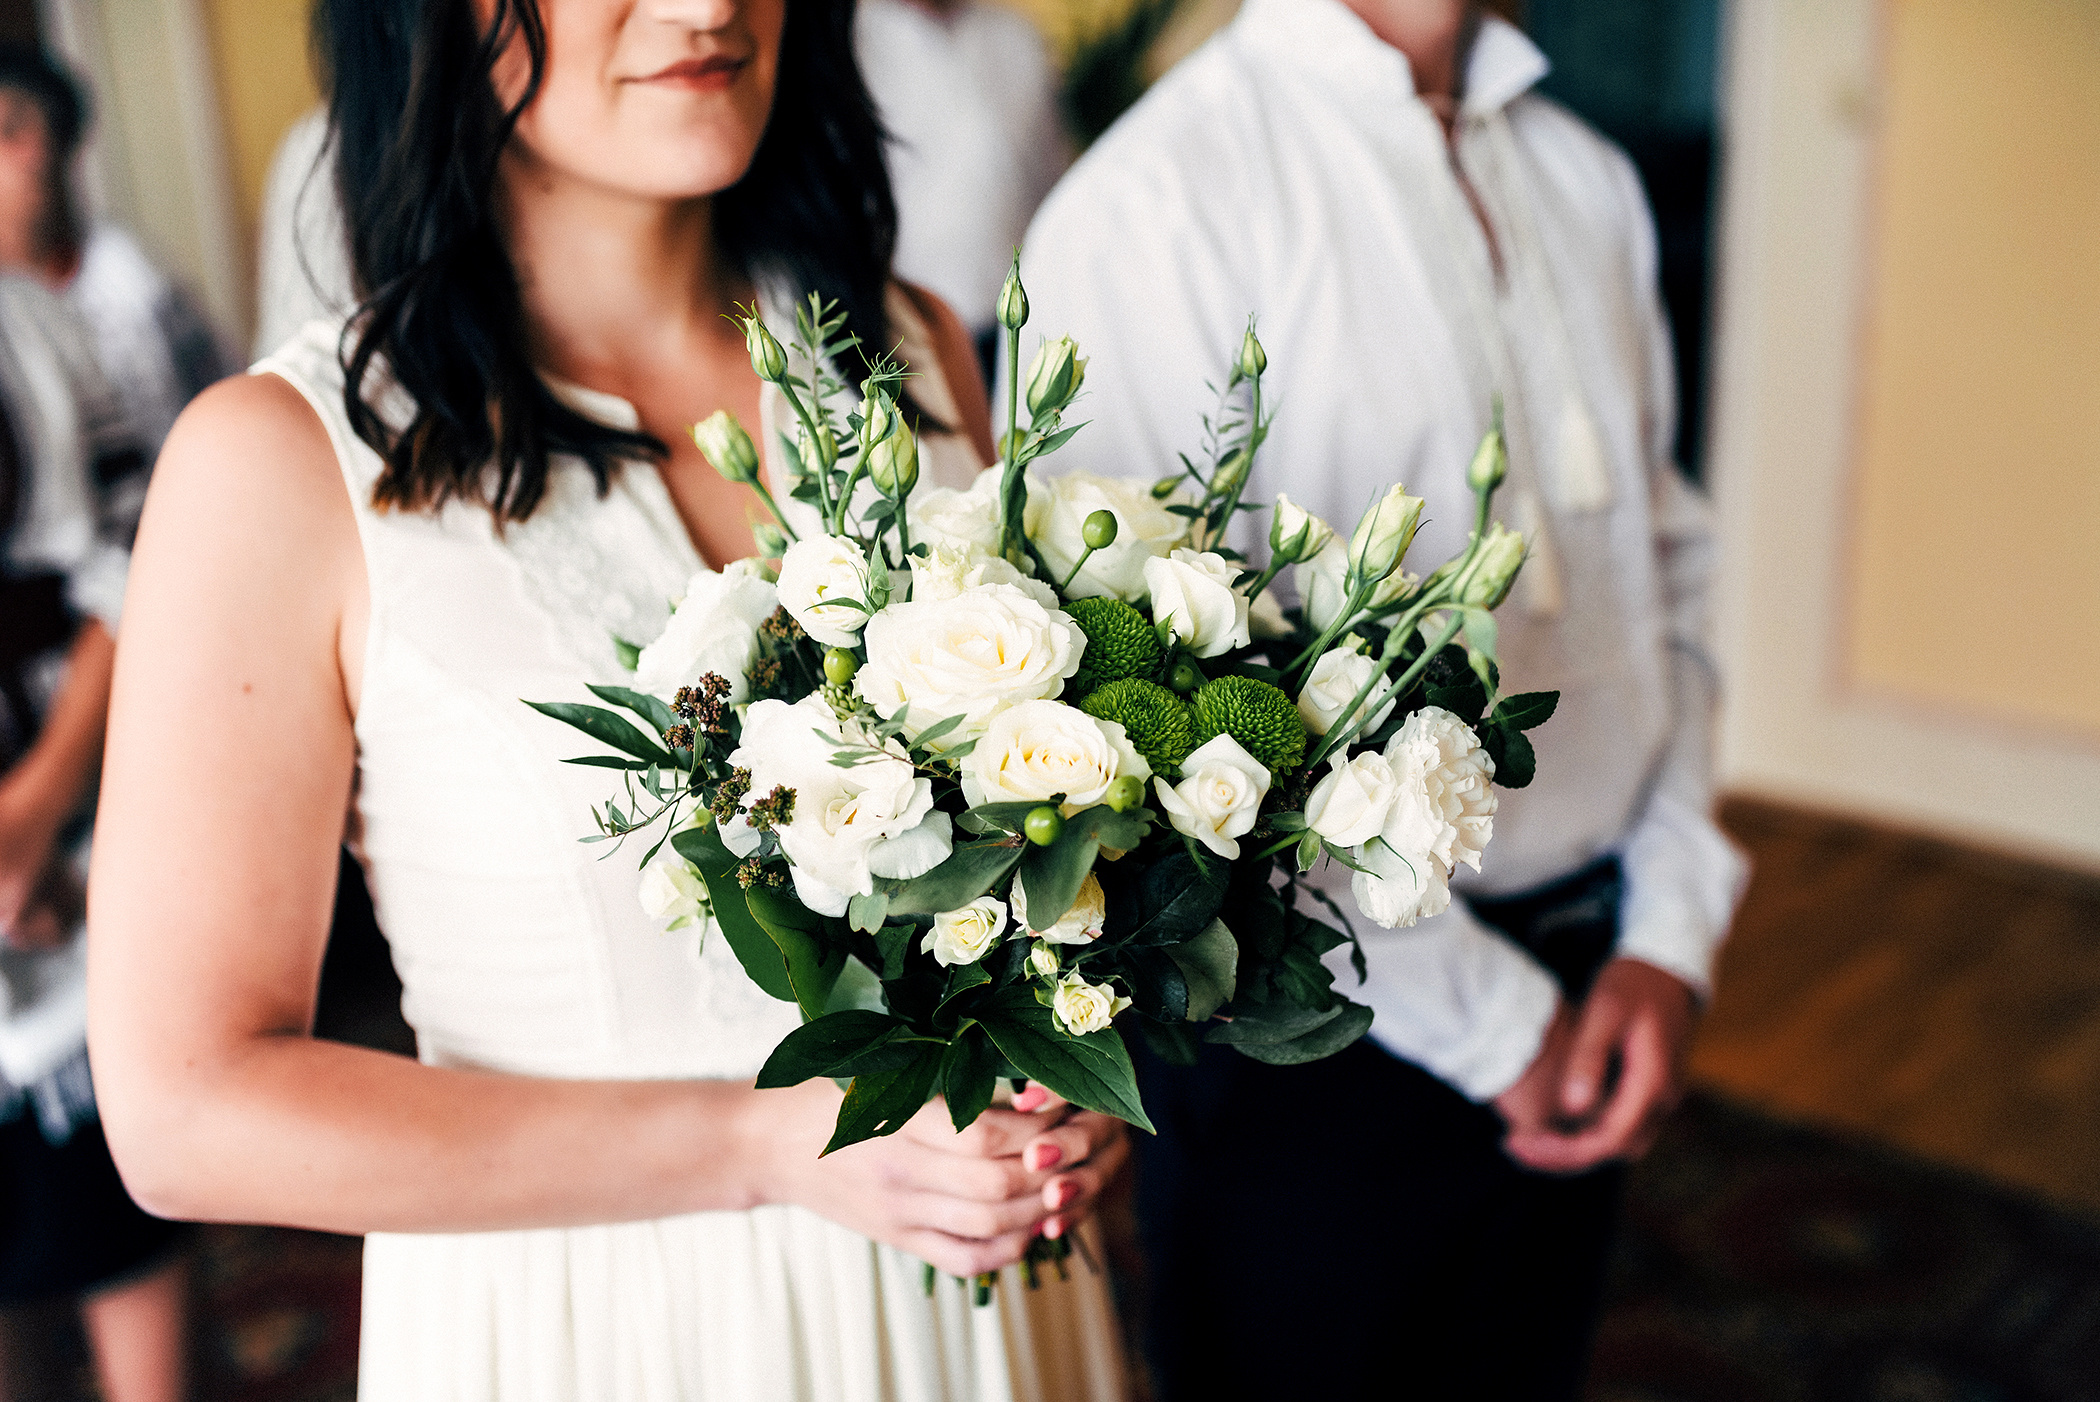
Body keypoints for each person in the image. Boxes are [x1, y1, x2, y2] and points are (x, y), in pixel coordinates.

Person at [89, 2, 1127, 1399]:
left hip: (983, 1313)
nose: (708, 6)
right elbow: (186, 1109)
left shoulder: (909, 351)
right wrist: (770, 1146)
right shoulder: (278, 467)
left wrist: (1076, 1075)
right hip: (602, 1326)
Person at [1015, 0, 1746, 1396]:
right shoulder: (1156, 204)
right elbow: (1150, 732)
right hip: (1314, 1032)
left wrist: (1670, 919)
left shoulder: (1584, 176)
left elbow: (1666, 571)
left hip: (1603, 978)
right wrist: (1491, 1021)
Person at [0, 272, 186, 1401]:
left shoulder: (33, 321)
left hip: (61, 802)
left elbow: (133, 556)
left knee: (115, 1222)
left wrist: (32, 808)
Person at [0, 46, 236, 480]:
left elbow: (225, 401)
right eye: (9, 132)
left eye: (44, 130)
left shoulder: (134, 276)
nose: (33, 155)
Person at [856, 0, 1069, 375]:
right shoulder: (855, 56)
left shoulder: (1014, 38)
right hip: (937, 351)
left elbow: (1056, 182)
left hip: (1046, 309)